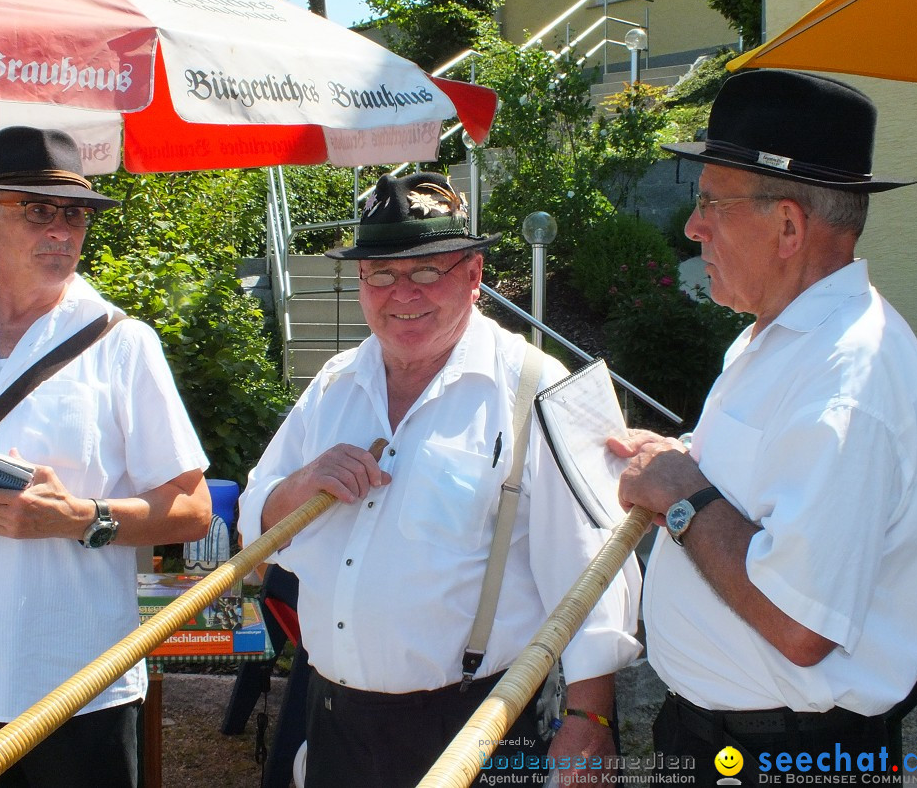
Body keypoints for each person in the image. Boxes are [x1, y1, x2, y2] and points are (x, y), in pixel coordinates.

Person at [237, 171, 642, 787]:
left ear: (475, 275)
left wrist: (590, 717)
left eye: (427, 271)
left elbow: (594, 574)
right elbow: (254, 525)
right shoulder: (334, 383)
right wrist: (300, 486)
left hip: (475, 725)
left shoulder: (543, 386)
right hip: (332, 718)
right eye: (380, 273)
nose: (403, 294)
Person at [605, 69, 917, 782]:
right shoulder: (785, 336)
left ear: (788, 225)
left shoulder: (847, 377)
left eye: (710, 205)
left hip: (786, 758)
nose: (693, 227)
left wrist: (682, 493)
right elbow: (764, 486)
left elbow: (801, 625)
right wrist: (680, 460)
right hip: (725, 740)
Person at [0, 126, 212, 786]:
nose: (61, 230)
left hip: (70, 688)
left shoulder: (122, 344)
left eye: (74, 214)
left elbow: (191, 509)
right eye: (38, 210)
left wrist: (82, 517)